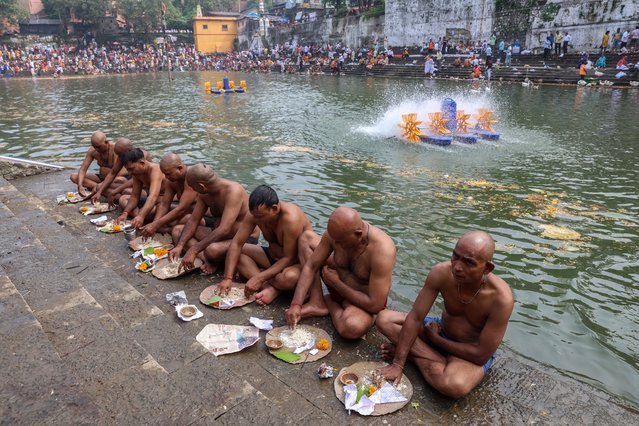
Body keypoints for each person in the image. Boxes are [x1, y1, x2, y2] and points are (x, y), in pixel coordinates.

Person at [375, 231, 514, 398]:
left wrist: (435, 340)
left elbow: (480, 355)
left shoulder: (501, 299)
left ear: (487, 268)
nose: (457, 267)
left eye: (469, 263)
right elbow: (416, 317)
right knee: (384, 319)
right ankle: (435, 361)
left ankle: (416, 356)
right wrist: (398, 364)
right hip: (440, 329)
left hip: (467, 352)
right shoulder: (441, 273)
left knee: (454, 385)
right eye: (455, 256)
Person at [286, 207, 396, 339]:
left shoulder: (382, 250)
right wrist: (296, 304)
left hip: (361, 301)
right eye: (333, 240)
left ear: (358, 234)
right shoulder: (335, 235)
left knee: (352, 328)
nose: (335, 244)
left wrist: (336, 283)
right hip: (339, 279)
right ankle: (317, 302)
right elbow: (311, 266)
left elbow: (375, 304)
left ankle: (330, 304)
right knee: (306, 239)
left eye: (340, 242)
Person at [217, 185, 313, 305]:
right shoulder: (255, 214)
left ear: (274, 208)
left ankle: (272, 287)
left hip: (295, 264)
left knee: (287, 278)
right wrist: (228, 278)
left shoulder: (290, 218)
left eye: (261, 216)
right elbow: (237, 243)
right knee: (238, 258)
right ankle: (269, 287)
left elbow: (289, 258)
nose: (257, 220)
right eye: (255, 216)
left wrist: (259, 277)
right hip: (272, 258)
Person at [169, 163, 254, 274]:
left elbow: (224, 229)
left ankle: (211, 259)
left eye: (193, 188)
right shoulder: (204, 194)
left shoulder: (233, 191)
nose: (194, 191)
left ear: (201, 186)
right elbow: (194, 220)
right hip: (218, 236)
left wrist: (194, 250)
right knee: (177, 231)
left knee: (212, 250)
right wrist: (180, 245)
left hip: (241, 239)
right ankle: (209, 261)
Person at [139, 153, 197, 238]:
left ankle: (168, 230)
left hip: (200, 216)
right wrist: (155, 224)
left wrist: (155, 225)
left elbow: (181, 208)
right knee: (158, 207)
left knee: (186, 219)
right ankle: (162, 229)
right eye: (165, 174)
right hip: (184, 211)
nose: (166, 177)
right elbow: (164, 205)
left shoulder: (191, 177)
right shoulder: (171, 181)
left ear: (180, 168)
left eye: (168, 174)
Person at [115, 148, 166, 229]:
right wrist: (125, 213)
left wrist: (141, 215)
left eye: (131, 168)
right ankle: (138, 219)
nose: (129, 173)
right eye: (128, 169)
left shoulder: (155, 170)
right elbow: (135, 196)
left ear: (142, 163)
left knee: (149, 212)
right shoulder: (137, 173)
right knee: (123, 199)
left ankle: (139, 218)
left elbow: (153, 196)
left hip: (162, 202)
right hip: (149, 201)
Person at [91, 138, 150, 205]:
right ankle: (122, 199)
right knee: (99, 187)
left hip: (143, 188)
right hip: (130, 185)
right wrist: (99, 192)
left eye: (120, 155)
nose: (119, 157)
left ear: (128, 151)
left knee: (126, 191)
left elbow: (135, 180)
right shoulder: (122, 157)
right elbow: (113, 173)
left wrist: (115, 191)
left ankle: (124, 200)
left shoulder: (141, 156)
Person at [70, 131, 125, 196]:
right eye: (95, 147)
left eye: (99, 147)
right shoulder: (93, 151)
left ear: (106, 142)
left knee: (119, 180)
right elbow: (83, 170)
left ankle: (99, 188)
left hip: (116, 179)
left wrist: (100, 185)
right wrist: (80, 186)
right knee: (74, 177)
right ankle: (100, 189)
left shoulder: (115, 149)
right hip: (102, 178)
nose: (97, 149)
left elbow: (116, 173)